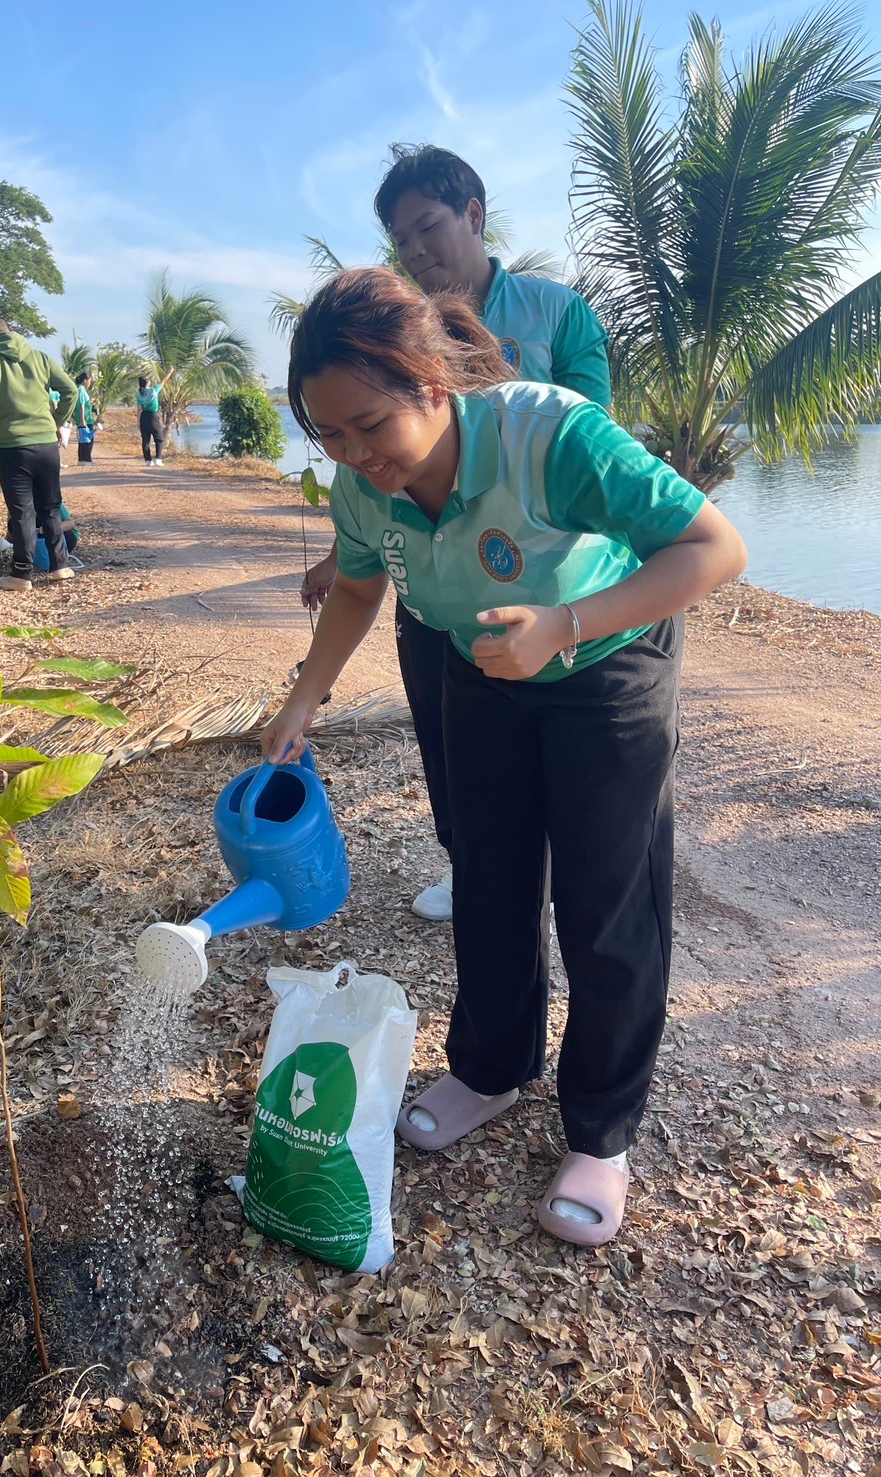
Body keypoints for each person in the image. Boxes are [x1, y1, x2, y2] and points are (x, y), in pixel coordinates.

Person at [263, 268, 747, 1246]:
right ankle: (489, 1067)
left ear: (431, 386)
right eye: (330, 435)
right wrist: (306, 693)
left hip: (606, 656)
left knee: (605, 900)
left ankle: (602, 1134)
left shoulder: (549, 435)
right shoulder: (363, 486)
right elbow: (357, 587)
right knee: (486, 875)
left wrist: (564, 624)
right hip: (478, 660)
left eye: (369, 425)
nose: (356, 455)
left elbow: (712, 546)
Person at [301, 145, 612, 925]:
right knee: (451, 745)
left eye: (427, 226)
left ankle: (545, 878)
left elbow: (590, 442)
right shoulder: (382, 336)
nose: (415, 250)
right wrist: (344, 556)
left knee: (555, 754)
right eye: (399, 240)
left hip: (538, 578)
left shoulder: (555, 313)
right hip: (432, 576)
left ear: (472, 214)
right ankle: (474, 861)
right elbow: (373, 473)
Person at [0, 316, 78, 592]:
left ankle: (21, 575)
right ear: (11, 332)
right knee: (51, 506)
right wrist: (55, 422)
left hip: (12, 447)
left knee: (22, 512)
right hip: (46, 446)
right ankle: (60, 567)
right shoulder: (40, 357)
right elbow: (70, 390)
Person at [137, 368, 174, 466]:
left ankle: (148, 460)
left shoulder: (139, 395)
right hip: (153, 416)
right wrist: (170, 372)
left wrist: (138, 422)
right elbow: (164, 381)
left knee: (145, 440)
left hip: (143, 417)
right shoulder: (154, 390)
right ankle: (158, 458)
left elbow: (139, 409)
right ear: (147, 383)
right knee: (159, 438)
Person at [74, 371, 97, 462]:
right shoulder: (81, 390)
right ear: (85, 380)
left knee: (83, 439)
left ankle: (82, 459)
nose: (90, 383)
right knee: (88, 439)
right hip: (86, 419)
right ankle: (87, 459)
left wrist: (91, 401)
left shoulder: (81, 390)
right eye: (89, 380)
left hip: (86, 418)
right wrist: (83, 419)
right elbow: (81, 405)